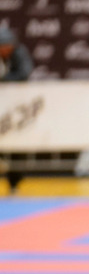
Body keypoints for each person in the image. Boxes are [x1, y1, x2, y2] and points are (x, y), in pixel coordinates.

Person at [1, 26, 34, 194]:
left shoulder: (19, 53)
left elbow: (23, 73)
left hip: (14, 110)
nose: (6, 51)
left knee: (16, 146)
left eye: (8, 47)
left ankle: (14, 184)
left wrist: (3, 80)